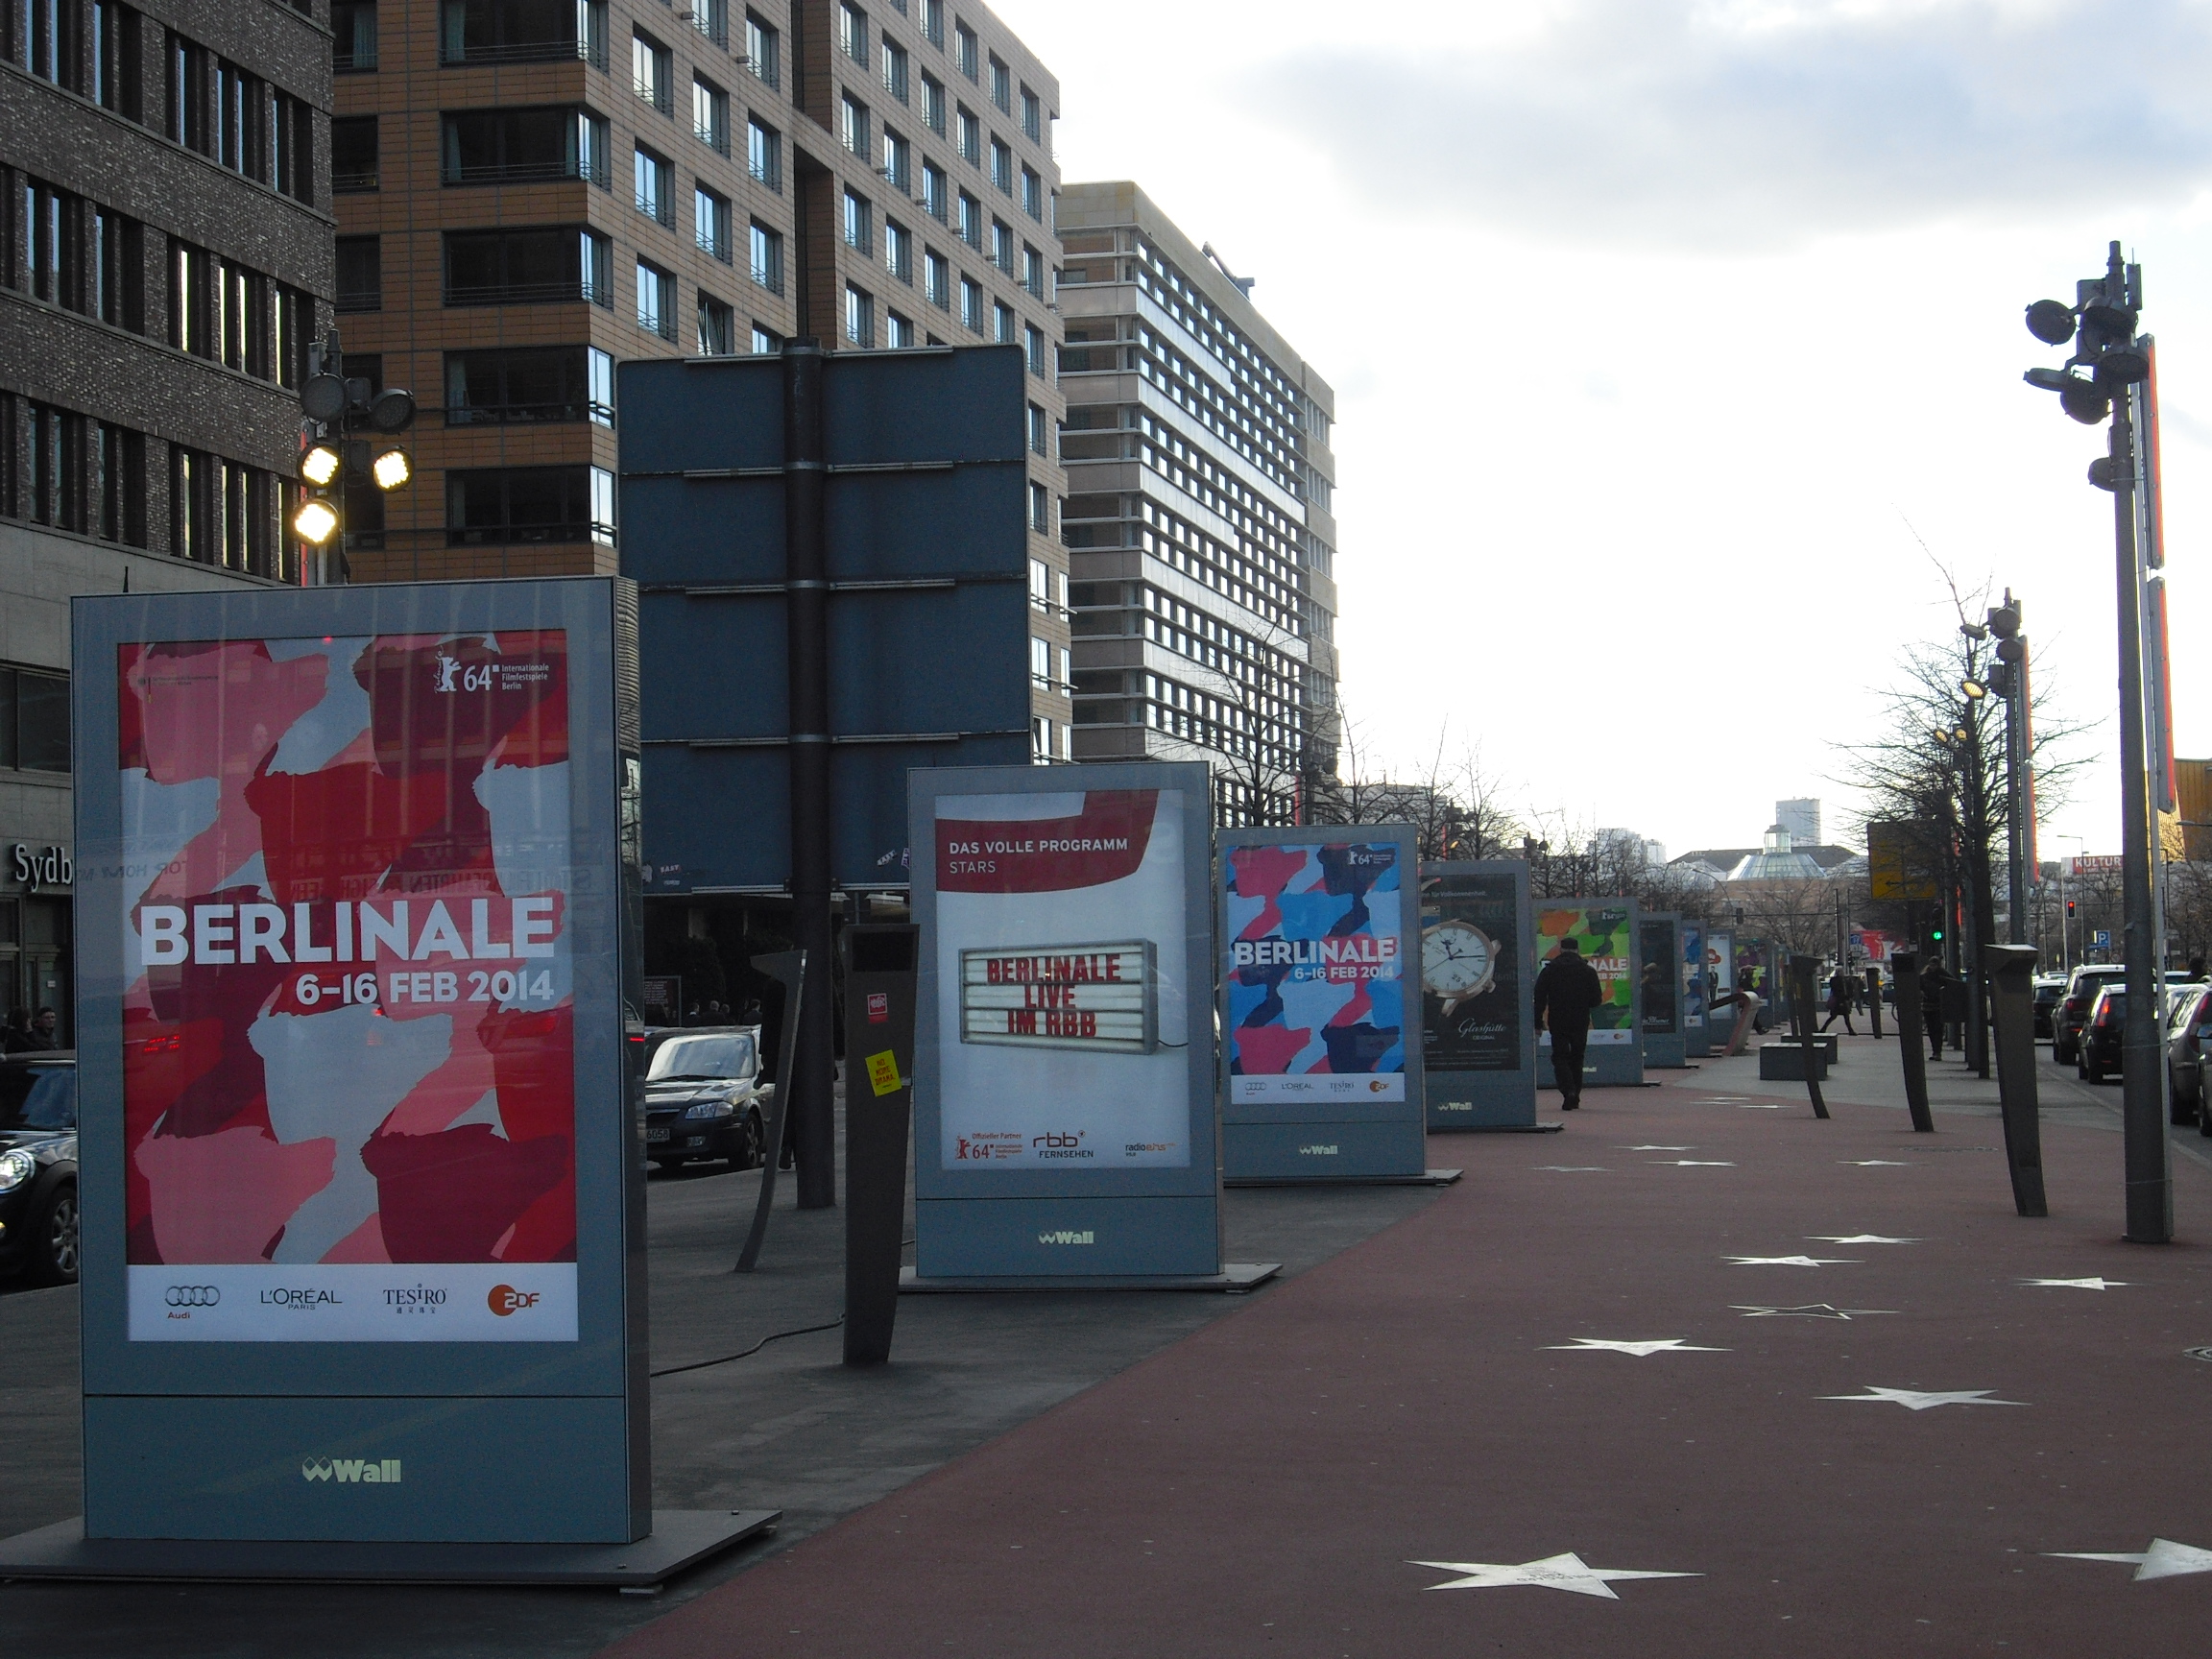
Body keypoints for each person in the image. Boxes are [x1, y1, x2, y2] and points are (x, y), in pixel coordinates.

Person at [1532, 937, 1604, 1110]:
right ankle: (1576, 1093)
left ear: (1561, 949)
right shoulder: (1588, 971)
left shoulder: (1550, 971)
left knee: (1560, 1056)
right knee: (1577, 1057)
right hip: (1580, 1020)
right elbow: (1596, 1000)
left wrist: (1537, 1022)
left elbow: (1539, 998)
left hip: (1558, 1020)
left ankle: (1568, 1091)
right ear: (1577, 949)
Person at [1920, 962, 1950, 1061]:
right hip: (1932, 1006)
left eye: (1935, 965)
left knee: (1936, 1029)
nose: (1933, 967)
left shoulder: (1928, 976)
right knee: (1934, 1029)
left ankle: (1937, 1052)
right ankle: (1936, 1051)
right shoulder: (1938, 975)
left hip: (1933, 1006)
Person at [1819, 968, 1858, 1036]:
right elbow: (1838, 990)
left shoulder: (1840, 980)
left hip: (1841, 1000)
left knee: (1839, 1016)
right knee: (1840, 1016)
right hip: (1839, 1000)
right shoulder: (1839, 980)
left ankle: (1823, 1029)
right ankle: (1850, 1030)